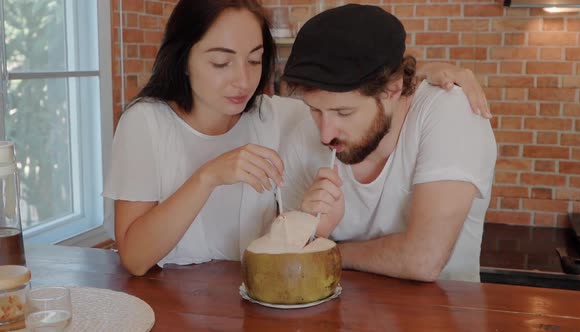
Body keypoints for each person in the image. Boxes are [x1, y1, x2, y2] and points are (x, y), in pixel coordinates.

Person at [103, 0, 490, 276]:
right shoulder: (146, 123)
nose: (242, 80)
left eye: (255, 60)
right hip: (170, 298)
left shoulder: (274, 115)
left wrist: (429, 77)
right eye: (221, 62)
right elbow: (135, 259)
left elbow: (357, 95)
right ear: (182, 58)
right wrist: (208, 176)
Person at [280, 4, 497, 283]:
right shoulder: (305, 134)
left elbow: (423, 259)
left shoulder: (449, 112)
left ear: (392, 89)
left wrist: (325, 251)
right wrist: (311, 228)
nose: (325, 134)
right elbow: (282, 254)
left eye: (344, 113)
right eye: (315, 110)